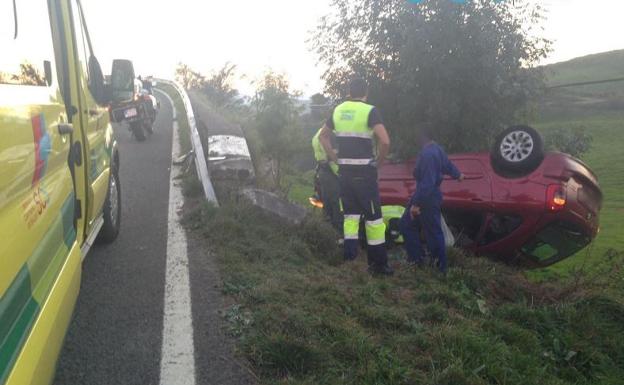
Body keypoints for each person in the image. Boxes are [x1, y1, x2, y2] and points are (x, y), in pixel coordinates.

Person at [319, 78, 393, 276]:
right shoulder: (370, 111)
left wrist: (335, 158)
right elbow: (385, 141)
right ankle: (379, 266)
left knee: (350, 218)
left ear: (349, 92)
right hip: (364, 175)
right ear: (365, 92)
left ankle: (350, 261)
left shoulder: (338, 111)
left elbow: (322, 136)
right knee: (374, 220)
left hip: (344, 175)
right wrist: (380, 162)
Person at [399, 123, 464, 274]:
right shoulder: (437, 149)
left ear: (423, 136)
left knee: (426, 230)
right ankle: (423, 261)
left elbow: (427, 183)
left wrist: (416, 204)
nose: (415, 138)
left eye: (417, 135)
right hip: (430, 195)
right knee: (413, 226)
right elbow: (447, 165)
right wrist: (458, 175)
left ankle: (433, 266)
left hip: (426, 197)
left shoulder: (428, 154)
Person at [311, 127, 343, 232]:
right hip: (333, 172)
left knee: (327, 202)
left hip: (323, 172)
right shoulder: (330, 134)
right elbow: (334, 156)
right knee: (336, 203)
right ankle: (338, 231)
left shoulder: (317, 134)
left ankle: (327, 231)